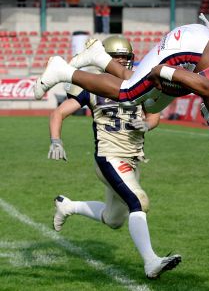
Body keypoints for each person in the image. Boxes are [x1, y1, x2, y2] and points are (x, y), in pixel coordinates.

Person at [35, 14, 209, 184]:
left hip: (206, 44)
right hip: (190, 48)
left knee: (149, 100)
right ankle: (63, 71)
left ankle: (99, 57)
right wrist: (165, 71)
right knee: (129, 94)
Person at [47, 35, 181, 279]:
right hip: (108, 155)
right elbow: (59, 113)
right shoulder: (91, 84)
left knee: (114, 219)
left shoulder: (138, 81)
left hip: (133, 158)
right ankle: (151, 262)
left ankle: (68, 206)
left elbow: (154, 113)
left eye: (124, 58)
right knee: (138, 202)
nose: (121, 62)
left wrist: (146, 125)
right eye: (115, 58)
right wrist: (56, 140)